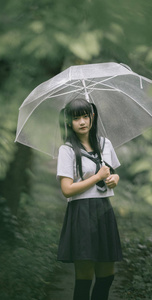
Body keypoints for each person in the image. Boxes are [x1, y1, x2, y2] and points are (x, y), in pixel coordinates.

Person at [57, 98, 122, 300]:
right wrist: (97, 177)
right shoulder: (67, 150)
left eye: (86, 116)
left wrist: (114, 179)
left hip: (104, 209)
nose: (82, 122)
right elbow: (67, 190)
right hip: (82, 213)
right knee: (84, 277)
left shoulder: (105, 144)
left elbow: (112, 173)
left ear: (92, 117)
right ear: (69, 122)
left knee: (107, 276)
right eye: (76, 118)